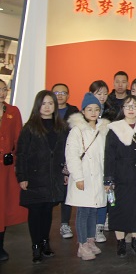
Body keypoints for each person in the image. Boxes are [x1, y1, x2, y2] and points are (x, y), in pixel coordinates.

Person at [16, 90, 68, 263]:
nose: (47, 107)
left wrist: (66, 172)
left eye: (50, 103)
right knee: (35, 211)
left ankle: (45, 242)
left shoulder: (61, 127)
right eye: (44, 103)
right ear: (38, 105)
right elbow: (21, 154)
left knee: (47, 211)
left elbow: (66, 153)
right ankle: (36, 246)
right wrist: (22, 176)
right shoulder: (30, 127)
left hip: (54, 178)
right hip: (35, 177)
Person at [104, 95, 136, 257]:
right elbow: (109, 157)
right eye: (127, 106)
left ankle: (135, 241)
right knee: (120, 208)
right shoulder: (114, 129)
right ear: (122, 109)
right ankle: (120, 242)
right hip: (121, 175)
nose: (131, 109)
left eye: (134, 106)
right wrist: (108, 179)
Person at [65, 93, 110, 261]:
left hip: (97, 177)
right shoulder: (77, 131)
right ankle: (82, 244)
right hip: (83, 177)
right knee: (83, 212)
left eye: (96, 109)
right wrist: (78, 178)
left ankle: (90, 241)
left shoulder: (103, 130)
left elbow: (105, 156)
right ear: (83, 111)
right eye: (89, 109)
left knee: (93, 210)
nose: (93, 112)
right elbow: (71, 155)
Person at [0, 79, 26, 262]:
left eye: (4, 89)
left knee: (4, 206)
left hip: (7, 168)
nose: (2, 93)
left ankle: (0, 245)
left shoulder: (13, 111)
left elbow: (19, 138)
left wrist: (18, 162)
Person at [88, 80, 116, 242]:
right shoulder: (85, 115)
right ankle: (90, 228)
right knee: (92, 196)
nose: (102, 96)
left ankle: (100, 224)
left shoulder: (111, 113)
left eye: (105, 93)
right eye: (99, 93)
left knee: (106, 193)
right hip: (91, 161)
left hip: (107, 158)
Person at [52, 83, 78, 240]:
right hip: (50, 159)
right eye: (56, 93)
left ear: (68, 95)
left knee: (66, 192)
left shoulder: (74, 112)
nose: (60, 95)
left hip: (68, 156)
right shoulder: (47, 110)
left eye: (63, 93)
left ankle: (64, 223)